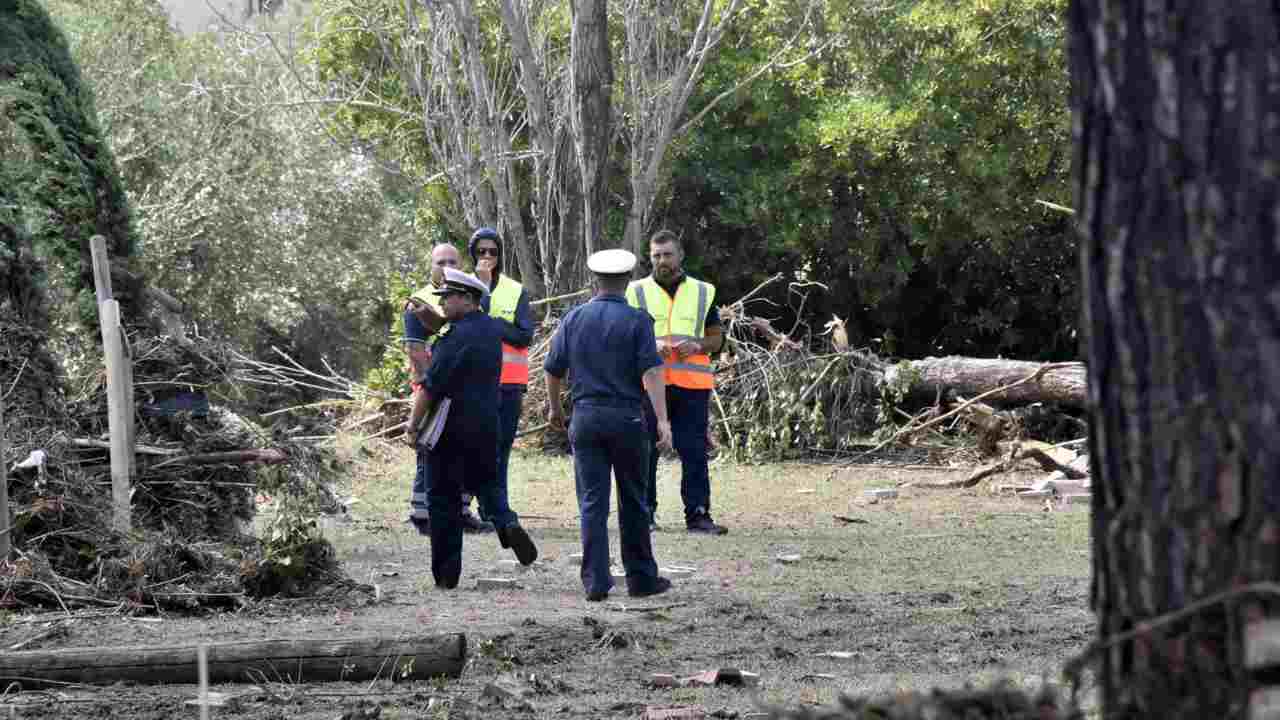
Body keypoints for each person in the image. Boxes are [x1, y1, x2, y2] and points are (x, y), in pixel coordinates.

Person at [545, 248, 675, 602]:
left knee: (592, 502)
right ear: (628, 280)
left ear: (594, 281)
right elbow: (650, 372)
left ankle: (596, 582)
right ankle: (641, 579)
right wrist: (662, 419)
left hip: (586, 416)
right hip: (628, 417)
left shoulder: (573, 319)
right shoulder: (638, 321)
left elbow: (553, 370)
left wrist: (556, 410)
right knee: (633, 500)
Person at [405, 267, 538, 588]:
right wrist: (436, 321)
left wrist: (412, 427)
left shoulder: (453, 336)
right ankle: (506, 523)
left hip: (449, 427)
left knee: (443, 498)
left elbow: (431, 385)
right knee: (487, 484)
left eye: (447, 298)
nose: (442, 304)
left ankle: (446, 576)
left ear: (466, 299)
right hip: (485, 423)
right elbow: (457, 328)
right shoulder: (490, 328)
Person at [627, 230, 728, 535]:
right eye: (656, 255)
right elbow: (623, 336)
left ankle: (698, 515)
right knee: (646, 451)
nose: (661, 261)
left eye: (667, 254)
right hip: (648, 384)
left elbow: (717, 338)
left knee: (694, 452)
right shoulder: (635, 291)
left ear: (680, 255)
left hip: (691, 385)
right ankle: (644, 514)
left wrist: (698, 345)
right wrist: (650, 345)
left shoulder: (702, 292)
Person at [403, 243, 492, 535]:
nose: (446, 265)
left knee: (461, 454)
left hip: (459, 392)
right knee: (427, 449)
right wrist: (432, 390)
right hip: (434, 386)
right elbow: (416, 351)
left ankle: (461, 511)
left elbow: (459, 332)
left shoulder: (466, 294)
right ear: (431, 264)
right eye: (440, 261)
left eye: (452, 261)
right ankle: (422, 513)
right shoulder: (418, 301)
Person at [466, 227, 534, 526]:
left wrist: (492, 324)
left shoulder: (515, 289)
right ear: (473, 254)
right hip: (472, 385)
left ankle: (497, 508)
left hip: (509, 384)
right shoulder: (462, 287)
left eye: (493, 251)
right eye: (481, 251)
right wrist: (479, 287)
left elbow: (524, 335)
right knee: (475, 448)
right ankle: (478, 507)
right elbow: (464, 325)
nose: (487, 257)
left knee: (501, 448)